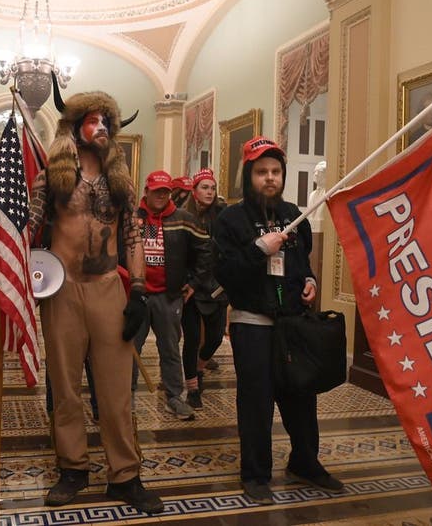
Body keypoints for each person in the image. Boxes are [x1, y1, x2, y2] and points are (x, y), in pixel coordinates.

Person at [29, 89, 163, 514]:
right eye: (93, 119)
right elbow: (26, 227)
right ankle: (73, 468)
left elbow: (133, 236)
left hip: (108, 289)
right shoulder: (51, 177)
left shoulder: (121, 181)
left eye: (107, 121)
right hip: (62, 290)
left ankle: (125, 475)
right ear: (75, 126)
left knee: (116, 390)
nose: (101, 127)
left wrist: (138, 290)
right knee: (65, 388)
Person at [212, 135, 343, 505]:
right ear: (248, 175)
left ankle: (305, 461)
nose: (269, 178)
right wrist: (258, 249)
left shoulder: (294, 216)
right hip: (252, 323)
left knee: (302, 395)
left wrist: (311, 283)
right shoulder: (230, 220)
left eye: (275, 171)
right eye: (261, 172)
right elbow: (224, 274)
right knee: (256, 401)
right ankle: (255, 474)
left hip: (293, 325)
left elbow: (301, 263)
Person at [132, 170, 211, 420]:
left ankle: (174, 398)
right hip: (137, 296)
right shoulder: (133, 218)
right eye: (156, 191)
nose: (161, 195)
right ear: (146, 191)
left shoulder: (184, 219)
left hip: (169, 296)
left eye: (165, 191)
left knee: (170, 348)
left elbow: (207, 251)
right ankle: (127, 397)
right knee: (131, 348)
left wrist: (194, 283)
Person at [180, 168, 227, 410]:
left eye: (212, 188)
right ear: (194, 191)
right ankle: (193, 388)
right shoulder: (184, 216)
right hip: (190, 287)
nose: (210, 192)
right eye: (205, 187)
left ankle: (199, 368)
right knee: (192, 339)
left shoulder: (222, 214)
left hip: (217, 286)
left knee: (216, 338)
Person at [307, 160, 327, 232]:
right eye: (315, 171)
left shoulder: (328, 194)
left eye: (319, 171)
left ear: (325, 174)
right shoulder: (312, 195)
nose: (315, 174)